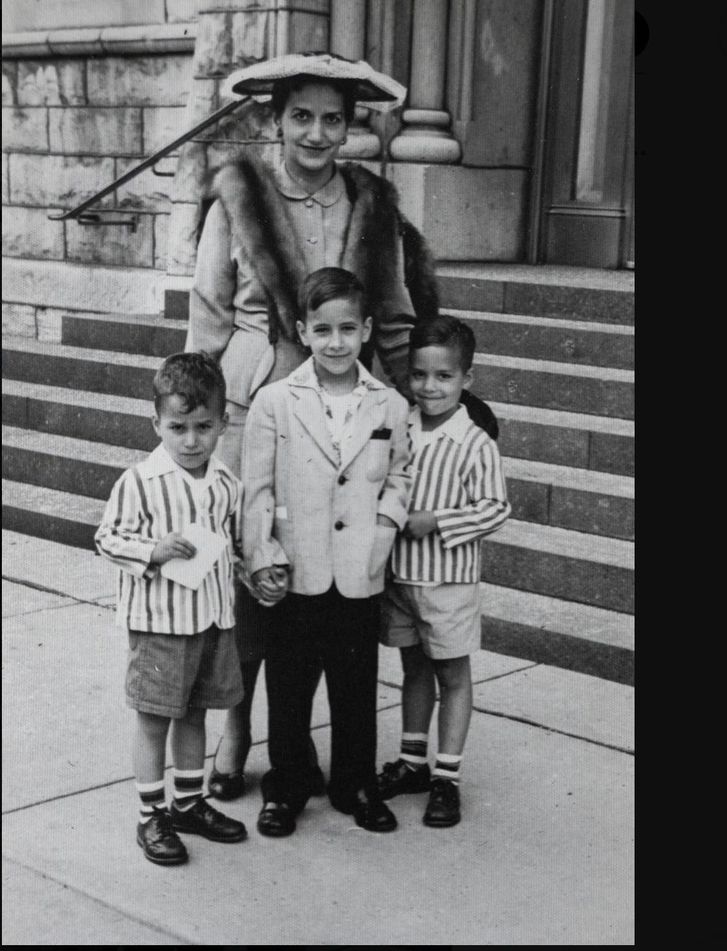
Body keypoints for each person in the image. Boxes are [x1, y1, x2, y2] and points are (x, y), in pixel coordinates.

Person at [187, 52, 438, 801]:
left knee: (328, 574)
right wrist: (196, 424)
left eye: (334, 117)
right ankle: (238, 732)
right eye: (302, 116)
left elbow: (392, 316)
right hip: (254, 396)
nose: (318, 133)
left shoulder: (371, 204)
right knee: (251, 571)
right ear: (275, 120)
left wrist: (417, 418)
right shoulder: (237, 196)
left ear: (351, 126)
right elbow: (208, 315)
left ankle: (333, 755)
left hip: (344, 410)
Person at [241, 267, 412, 836]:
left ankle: (355, 783)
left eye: (347, 329)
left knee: (355, 684)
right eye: (322, 330)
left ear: (365, 330)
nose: (335, 342)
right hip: (297, 566)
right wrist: (262, 554)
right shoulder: (274, 401)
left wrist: (384, 529)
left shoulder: (387, 404)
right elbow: (257, 488)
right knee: (289, 683)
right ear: (301, 330)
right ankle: (287, 783)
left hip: (359, 568)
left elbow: (399, 476)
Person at [93, 352, 251, 865]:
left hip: (210, 620)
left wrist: (255, 568)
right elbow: (107, 538)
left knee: (195, 714)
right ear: (156, 421)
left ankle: (187, 802)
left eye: (204, 427)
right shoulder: (139, 481)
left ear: (223, 423)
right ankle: (151, 814)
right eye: (178, 427)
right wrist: (152, 551)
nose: (191, 440)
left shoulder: (227, 483)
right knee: (155, 719)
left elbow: (232, 544)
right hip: (160, 625)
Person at [374, 316, 511, 828]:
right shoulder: (401, 423)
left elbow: (496, 507)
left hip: (447, 582)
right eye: (419, 375)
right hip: (401, 578)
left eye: (444, 377)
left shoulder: (474, 442)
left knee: (451, 675)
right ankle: (412, 762)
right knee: (413, 669)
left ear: (465, 380)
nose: (430, 387)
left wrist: (439, 521)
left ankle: (446, 777)